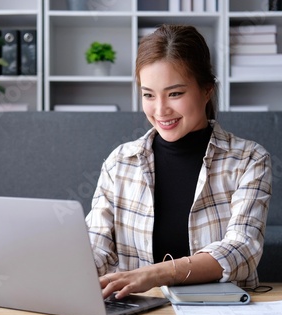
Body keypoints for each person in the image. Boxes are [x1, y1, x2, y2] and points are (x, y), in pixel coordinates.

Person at [86, 24, 272, 300]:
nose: (160, 110)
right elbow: (98, 247)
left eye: (175, 93)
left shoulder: (248, 160)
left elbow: (242, 249)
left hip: (221, 314)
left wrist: (152, 274)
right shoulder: (120, 162)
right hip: (139, 312)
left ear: (206, 90)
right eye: (148, 94)